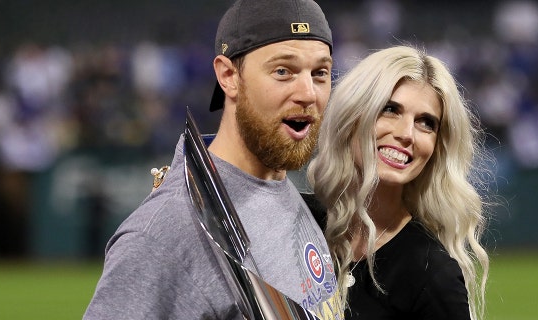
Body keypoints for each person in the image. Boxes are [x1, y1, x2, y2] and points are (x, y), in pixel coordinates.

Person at [84, 0, 344, 319]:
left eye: (320, 73)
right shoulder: (164, 235)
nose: (308, 93)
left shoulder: (282, 188)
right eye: (283, 71)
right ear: (228, 75)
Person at [307, 45, 492, 319]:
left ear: (436, 148)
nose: (407, 134)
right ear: (352, 116)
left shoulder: (431, 273)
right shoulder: (301, 223)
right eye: (390, 109)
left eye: (426, 123)